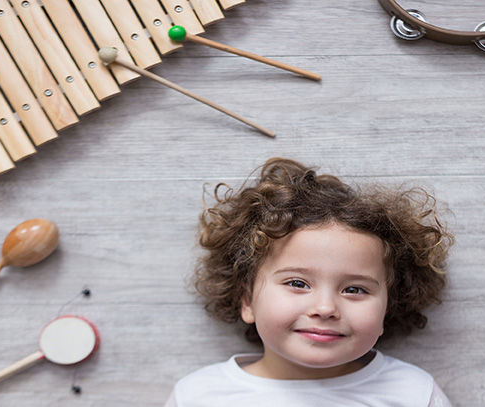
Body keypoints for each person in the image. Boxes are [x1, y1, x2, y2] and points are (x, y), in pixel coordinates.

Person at [164, 158, 454, 406]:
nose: (325, 308)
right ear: (247, 300)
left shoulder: (413, 394)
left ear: (387, 309)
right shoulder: (199, 397)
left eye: (354, 289)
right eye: (298, 283)